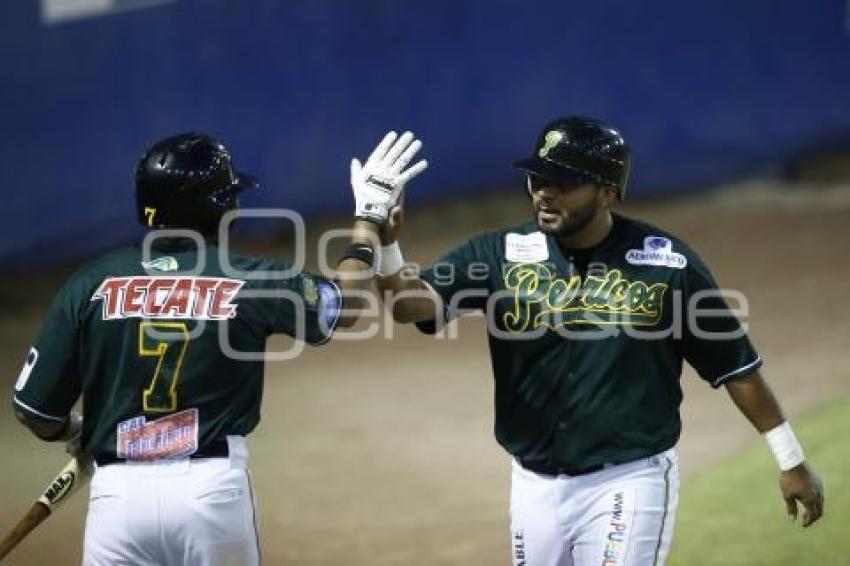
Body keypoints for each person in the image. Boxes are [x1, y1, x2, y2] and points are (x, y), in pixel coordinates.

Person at [375, 117, 824, 565]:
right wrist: (385, 245)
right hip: (533, 484)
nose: (544, 192)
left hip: (628, 482)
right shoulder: (497, 253)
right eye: (538, 178)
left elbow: (735, 366)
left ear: (608, 192)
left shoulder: (667, 264)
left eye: (564, 182)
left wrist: (791, 460)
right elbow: (410, 306)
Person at [12, 130, 426, 565]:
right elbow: (341, 308)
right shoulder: (248, 278)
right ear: (217, 208)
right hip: (208, 494)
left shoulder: (91, 281)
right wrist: (367, 222)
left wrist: (75, 431)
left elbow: (34, 410)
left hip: (117, 503)